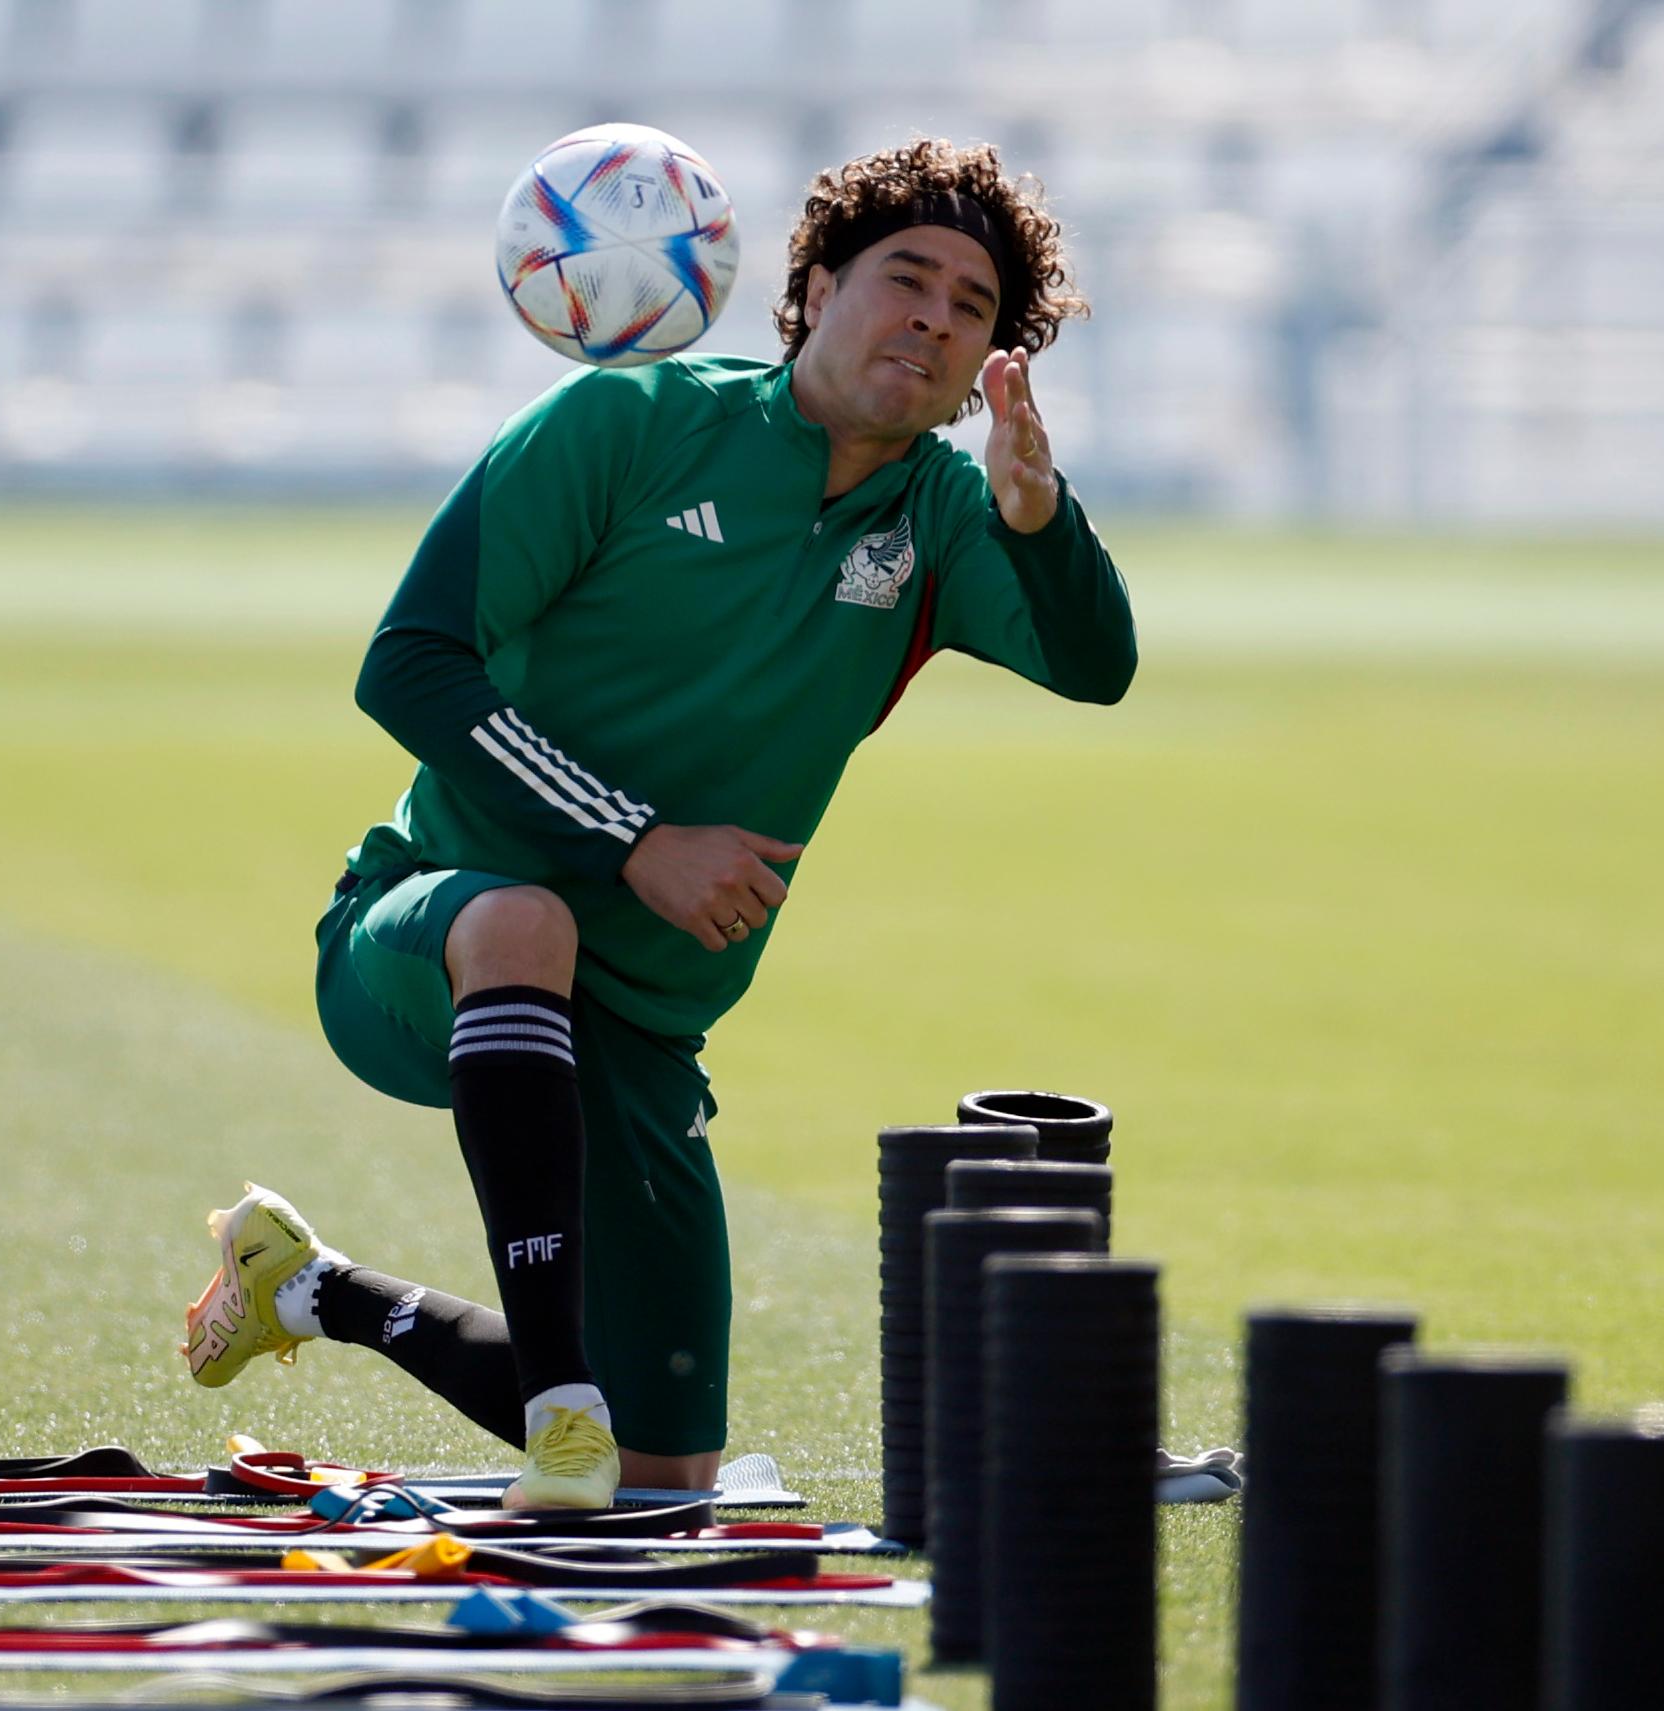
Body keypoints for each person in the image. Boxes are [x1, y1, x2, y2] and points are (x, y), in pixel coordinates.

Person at [177, 138, 1134, 1508]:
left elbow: (1093, 664)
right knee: (526, 917)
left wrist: (1041, 519)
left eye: (969, 305)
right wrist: (637, 838)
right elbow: (411, 661)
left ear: (991, 356)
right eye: (904, 277)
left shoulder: (942, 517)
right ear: (810, 285)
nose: (931, 316)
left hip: (643, 1026)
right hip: (432, 944)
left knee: (668, 1478)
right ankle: (562, 1396)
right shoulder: (623, 422)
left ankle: (317, 1290)